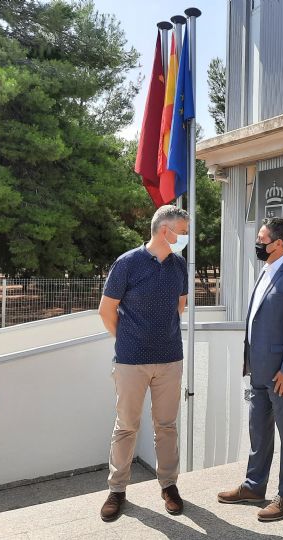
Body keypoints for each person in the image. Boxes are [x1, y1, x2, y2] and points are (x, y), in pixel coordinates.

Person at [218, 217, 283, 522]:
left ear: (278, 243)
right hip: (259, 371)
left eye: (261, 239)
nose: (257, 244)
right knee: (258, 432)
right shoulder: (265, 271)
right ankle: (253, 486)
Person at [98, 205, 189, 522]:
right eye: (183, 230)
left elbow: (180, 305)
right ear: (166, 230)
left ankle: (169, 486)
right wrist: (128, 340)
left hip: (169, 361)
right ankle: (117, 491)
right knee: (126, 427)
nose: (186, 237)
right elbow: (106, 310)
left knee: (166, 427)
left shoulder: (179, 265)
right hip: (131, 363)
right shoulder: (127, 263)